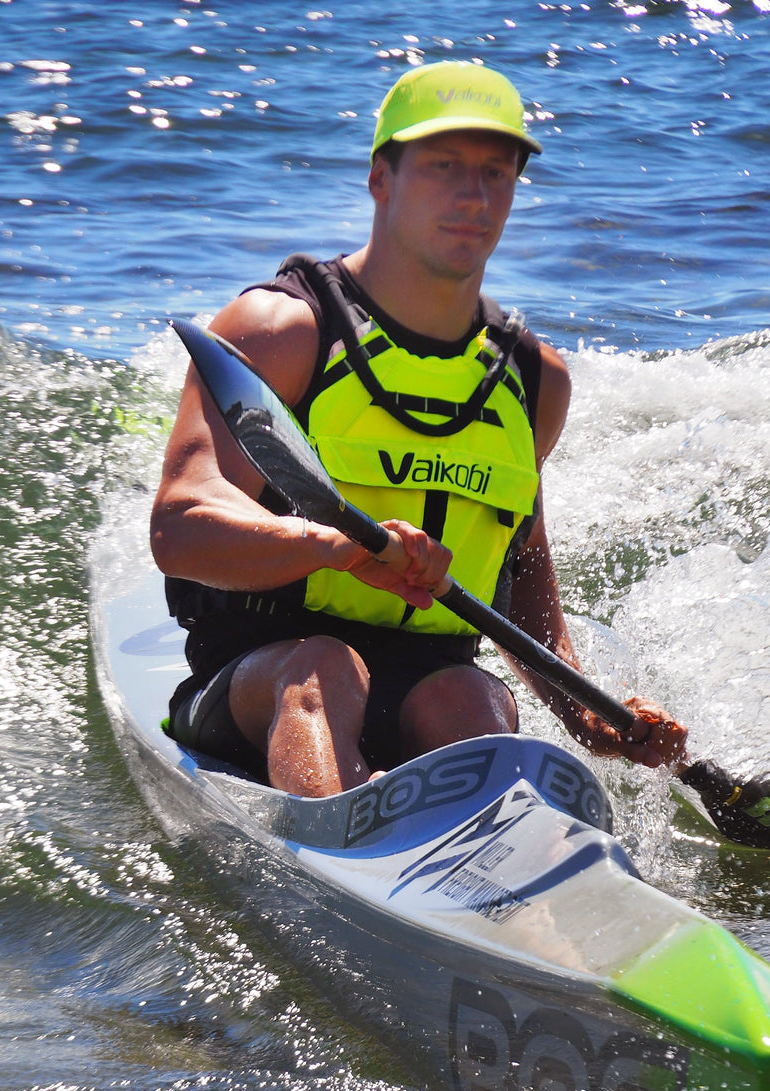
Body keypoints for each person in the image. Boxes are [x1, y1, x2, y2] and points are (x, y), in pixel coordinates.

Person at [150, 60, 687, 797]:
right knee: (324, 669)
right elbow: (179, 526)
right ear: (381, 178)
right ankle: (339, 848)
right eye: (443, 167)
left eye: (496, 173)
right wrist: (337, 549)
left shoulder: (534, 380)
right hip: (261, 679)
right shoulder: (282, 330)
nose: (473, 197)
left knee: (471, 699)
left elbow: (520, 565)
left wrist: (585, 713)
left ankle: (508, 883)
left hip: (433, 688)